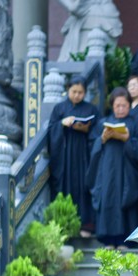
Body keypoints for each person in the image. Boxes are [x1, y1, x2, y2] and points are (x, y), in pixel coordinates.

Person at [87, 87, 138, 248]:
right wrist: (102, 139)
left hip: (128, 172)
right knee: (108, 198)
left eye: (124, 106)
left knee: (126, 200)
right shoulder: (102, 124)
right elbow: (92, 146)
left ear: (129, 105)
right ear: (112, 106)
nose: (121, 109)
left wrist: (127, 139)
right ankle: (108, 240)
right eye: (117, 106)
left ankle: (125, 241)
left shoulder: (136, 124)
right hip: (106, 171)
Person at [48, 76, 98, 237]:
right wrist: (62, 124)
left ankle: (86, 225)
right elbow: (51, 130)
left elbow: (97, 131)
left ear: (85, 92)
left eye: (80, 92)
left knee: (84, 186)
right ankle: (65, 225)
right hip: (65, 155)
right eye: (74, 91)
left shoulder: (91, 109)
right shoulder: (59, 108)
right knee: (65, 186)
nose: (77, 95)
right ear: (68, 90)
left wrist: (86, 129)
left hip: (84, 154)